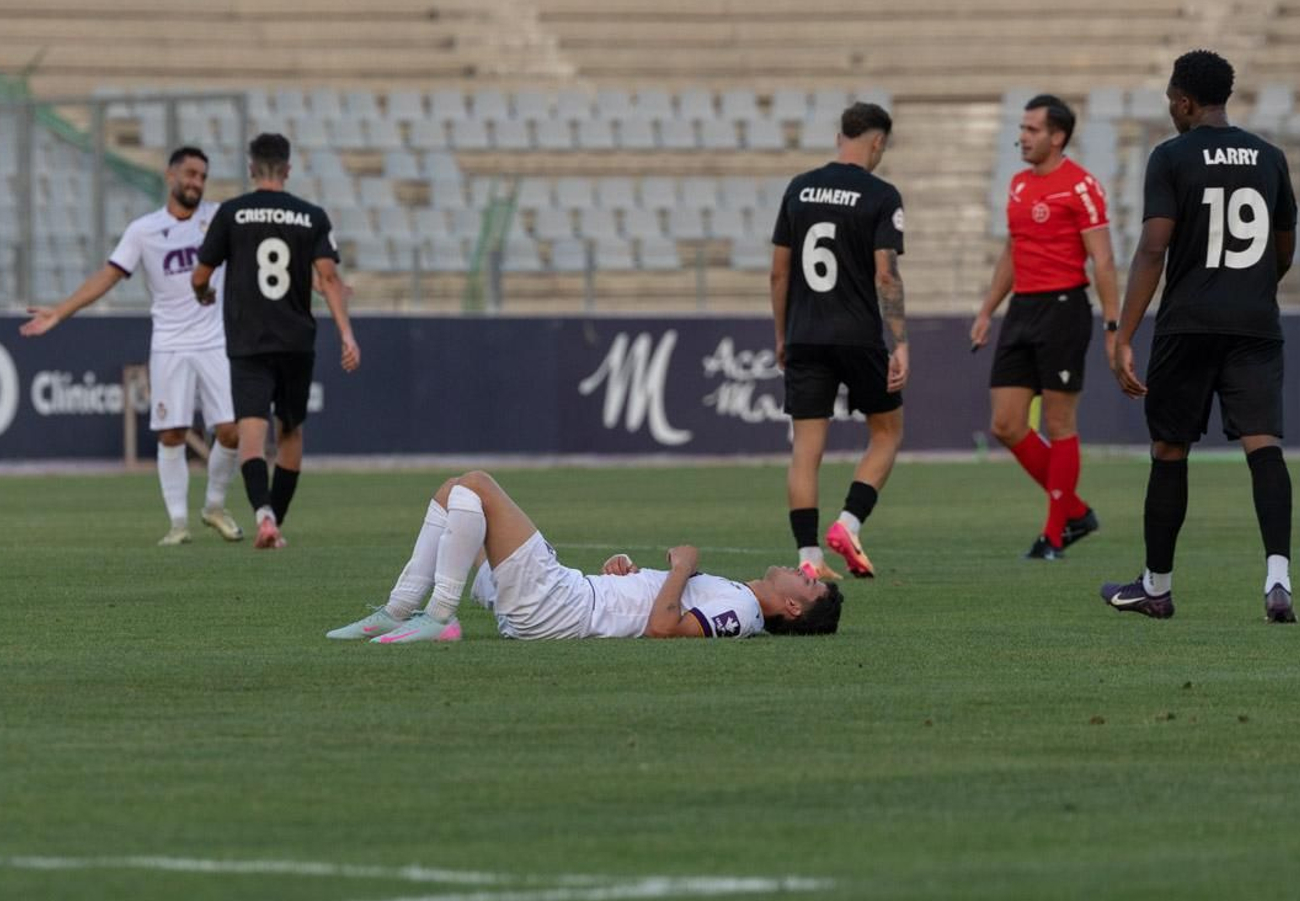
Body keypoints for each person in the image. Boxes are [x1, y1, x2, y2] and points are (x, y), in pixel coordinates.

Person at [1103, 50, 1298, 622]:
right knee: (1264, 446)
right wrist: (1252, 286)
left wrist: (1123, 335)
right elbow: (1284, 249)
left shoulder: (1171, 157)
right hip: (1255, 323)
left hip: (1188, 323)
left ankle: (1156, 587)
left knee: (1170, 448)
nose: (1170, 110)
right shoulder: (1270, 157)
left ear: (1185, 100)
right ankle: (1278, 578)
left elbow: (1153, 248)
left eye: (1171, 101)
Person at [326, 470, 844, 643]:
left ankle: (437, 616)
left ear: (794, 609)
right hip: (576, 597)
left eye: (810, 584)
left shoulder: (748, 613)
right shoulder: (740, 593)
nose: (804, 573)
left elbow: (667, 629)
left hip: (564, 606)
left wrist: (683, 566)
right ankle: (398, 611)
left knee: (476, 487)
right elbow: (656, 606)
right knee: (452, 491)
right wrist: (629, 573)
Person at [21, 146, 242, 546]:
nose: (196, 182)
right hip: (170, 342)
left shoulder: (218, 218)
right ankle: (178, 523)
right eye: (189, 173)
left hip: (213, 340)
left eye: (202, 176)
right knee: (172, 433)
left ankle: (214, 505)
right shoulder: (144, 230)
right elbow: (109, 275)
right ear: (170, 176)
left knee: (229, 431)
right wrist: (61, 312)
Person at [192, 132, 360, 550]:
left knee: (252, 431)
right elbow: (329, 279)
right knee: (290, 432)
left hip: (249, 338)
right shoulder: (311, 215)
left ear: (252, 168)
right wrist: (346, 333)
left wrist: (204, 292)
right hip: (296, 340)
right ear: (287, 169)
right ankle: (276, 523)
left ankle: (262, 513)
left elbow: (200, 275)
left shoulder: (232, 213)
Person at [970, 94, 1119, 560]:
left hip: (1063, 308)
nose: (1023, 136)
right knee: (1006, 423)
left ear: (1057, 137)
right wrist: (987, 308)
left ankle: (1054, 535)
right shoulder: (1017, 185)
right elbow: (1013, 251)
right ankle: (1074, 510)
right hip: (1021, 311)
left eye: (1032, 129)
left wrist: (1115, 326)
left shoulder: (1081, 187)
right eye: (1022, 128)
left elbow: (1104, 259)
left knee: (1058, 423)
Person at [770, 101, 907, 582]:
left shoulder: (798, 189)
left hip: (806, 334)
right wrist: (901, 342)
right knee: (887, 433)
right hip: (858, 335)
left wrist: (782, 335)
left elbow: (778, 272)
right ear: (877, 142)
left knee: (806, 448)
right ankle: (848, 523)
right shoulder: (880, 194)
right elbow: (886, 276)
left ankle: (809, 558)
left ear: (839, 136)